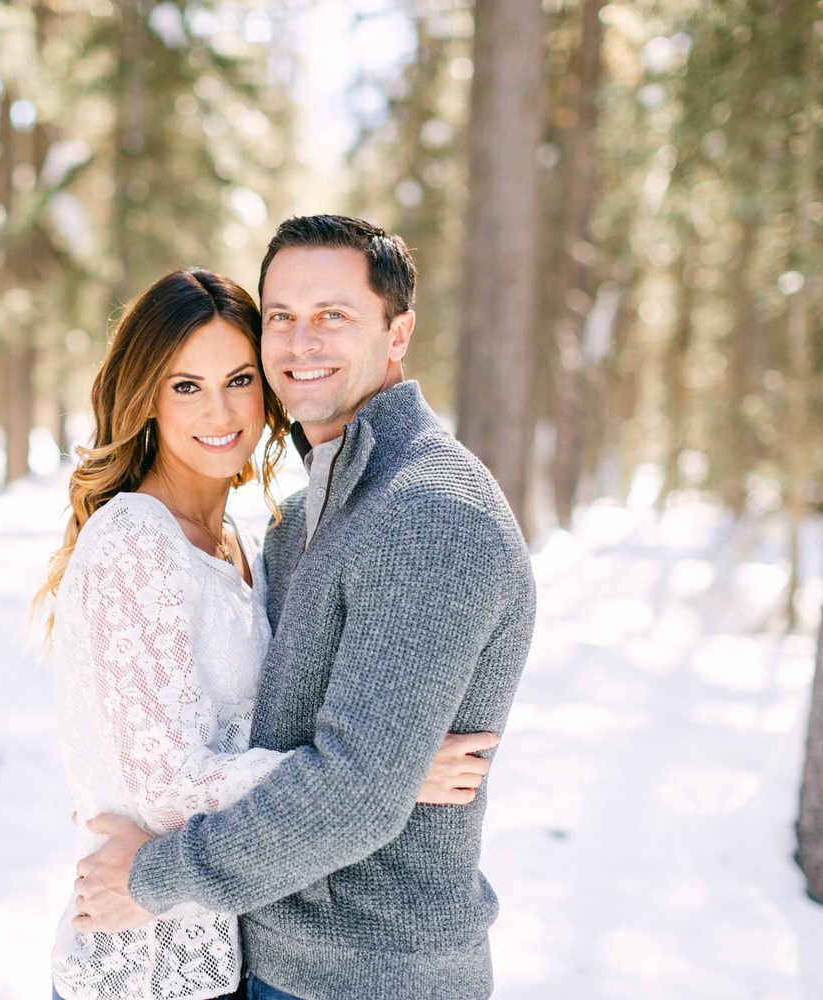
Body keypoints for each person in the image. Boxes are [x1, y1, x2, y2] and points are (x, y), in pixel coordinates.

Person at [74, 217, 537, 1000]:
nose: (300, 342)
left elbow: (356, 790)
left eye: (334, 316)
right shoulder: (302, 520)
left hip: (372, 978)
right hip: (269, 960)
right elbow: (300, 752)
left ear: (398, 334)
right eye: (282, 318)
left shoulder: (426, 508)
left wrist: (153, 876)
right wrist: (390, 775)